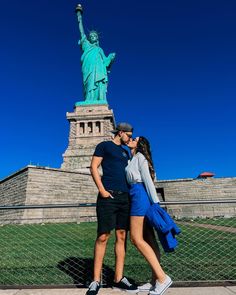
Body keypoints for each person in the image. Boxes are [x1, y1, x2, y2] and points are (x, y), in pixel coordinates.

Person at [87, 123, 139, 295]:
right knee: (103, 236)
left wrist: (132, 149)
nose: (130, 138)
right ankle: (95, 280)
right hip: (108, 196)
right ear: (121, 132)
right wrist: (101, 190)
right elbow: (94, 167)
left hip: (125, 197)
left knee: (122, 236)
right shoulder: (104, 146)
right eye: (129, 136)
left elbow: (133, 171)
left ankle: (119, 278)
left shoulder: (126, 152)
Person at [125, 136, 172, 295]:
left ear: (139, 144)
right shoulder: (132, 158)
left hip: (139, 196)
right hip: (134, 195)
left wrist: (156, 204)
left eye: (134, 138)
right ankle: (154, 281)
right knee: (149, 240)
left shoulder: (140, 157)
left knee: (136, 239)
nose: (130, 139)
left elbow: (148, 181)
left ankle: (162, 278)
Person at [76, 7, 116, 103]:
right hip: (88, 68)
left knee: (99, 83)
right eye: (91, 36)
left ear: (97, 38)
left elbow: (105, 63)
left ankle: (100, 99)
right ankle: (88, 100)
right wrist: (79, 17)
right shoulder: (86, 45)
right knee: (89, 83)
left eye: (95, 36)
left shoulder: (99, 49)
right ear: (89, 38)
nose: (93, 37)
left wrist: (110, 58)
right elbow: (81, 32)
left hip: (99, 70)